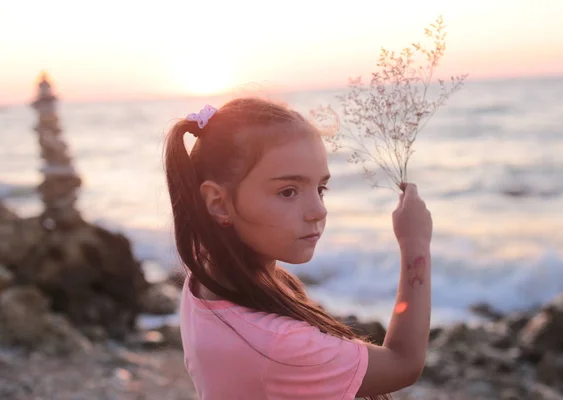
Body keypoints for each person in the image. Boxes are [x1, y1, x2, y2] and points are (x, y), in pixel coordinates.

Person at [163, 98, 432, 400]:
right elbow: (404, 363)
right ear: (219, 203)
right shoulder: (276, 344)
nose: (318, 211)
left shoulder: (202, 282)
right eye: (288, 191)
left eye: (320, 189)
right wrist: (415, 244)